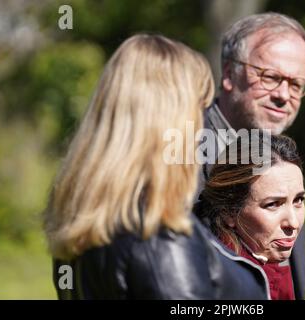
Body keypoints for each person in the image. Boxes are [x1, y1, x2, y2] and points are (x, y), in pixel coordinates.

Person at [43, 34, 269, 299]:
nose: (201, 124)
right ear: (171, 118)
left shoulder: (85, 213)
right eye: (198, 107)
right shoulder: (159, 235)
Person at [198, 12, 305, 300]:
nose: (283, 95)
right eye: (271, 77)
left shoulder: (283, 163)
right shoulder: (177, 152)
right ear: (228, 74)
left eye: (296, 84)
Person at [195, 134, 305, 300]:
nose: (293, 222)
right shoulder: (214, 283)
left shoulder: (269, 268)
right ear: (229, 211)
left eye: (298, 200)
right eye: (273, 204)